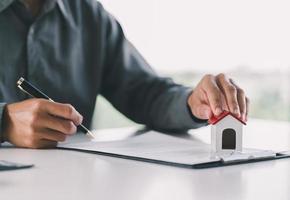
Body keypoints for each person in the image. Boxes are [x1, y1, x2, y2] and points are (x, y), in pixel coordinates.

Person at [0, 0, 249, 148]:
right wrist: (4, 122)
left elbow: (143, 92)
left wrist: (192, 103)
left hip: (72, 184)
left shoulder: (89, 15)